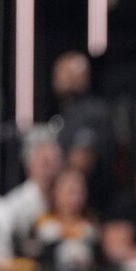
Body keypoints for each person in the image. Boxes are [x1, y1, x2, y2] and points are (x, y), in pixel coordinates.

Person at [48, 51, 115, 207]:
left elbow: (80, 163)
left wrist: (49, 176)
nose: (59, 77)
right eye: (59, 72)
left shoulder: (93, 112)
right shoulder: (66, 112)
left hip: (89, 205)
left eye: (66, 72)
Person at [30, 169, 99, 271]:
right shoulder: (42, 224)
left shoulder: (90, 226)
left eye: (80, 192)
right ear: (55, 193)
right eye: (70, 192)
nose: (76, 199)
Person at [4, 127, 63, 241]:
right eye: (45, 163)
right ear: (29, 165)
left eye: (55, 161)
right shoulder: (15, 204)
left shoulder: (66, 199)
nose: (51, 169)